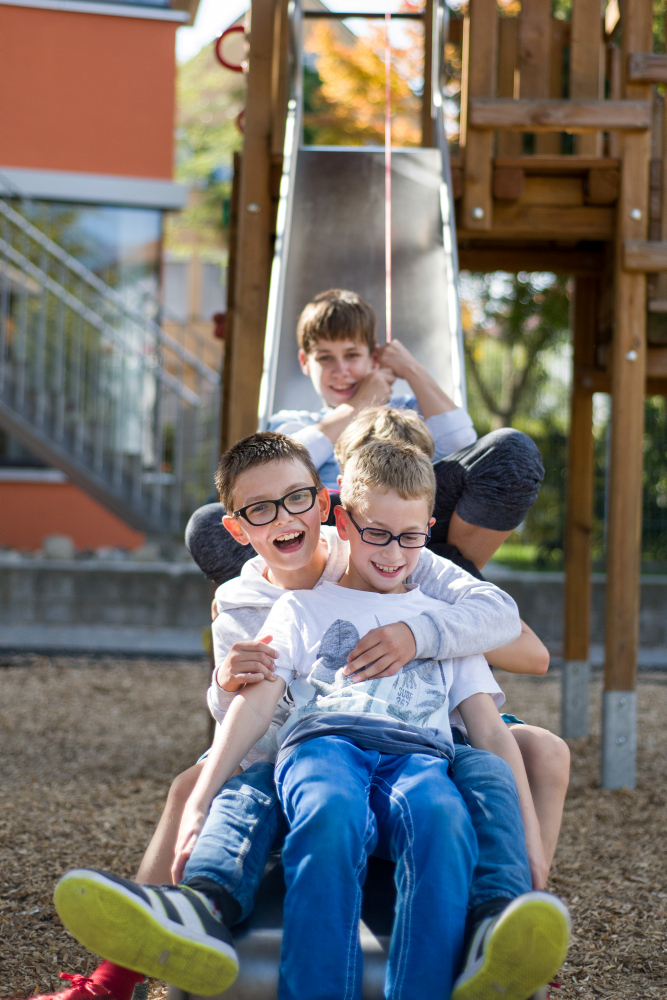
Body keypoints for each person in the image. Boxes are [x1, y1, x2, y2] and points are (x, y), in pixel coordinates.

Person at [52, 435, 569, 1000]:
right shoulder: (252, 603)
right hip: (306, 736)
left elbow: (503, 632)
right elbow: (254, 717)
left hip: (420, 734)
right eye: (261, 509)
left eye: (297, 498)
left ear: (325, 507)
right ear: (239, 528)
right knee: (221, 790)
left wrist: (417, 634)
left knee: (484, 783)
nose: (284, 517)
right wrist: (226, 687)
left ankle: (509, 928)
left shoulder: (404, 561)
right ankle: (135, 960)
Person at [185, 288, 545, 587]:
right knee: (207, 524)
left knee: (512, 450)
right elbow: (280, 469)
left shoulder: (408, 407)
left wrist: (410, 369)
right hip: (328, 527)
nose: (341, 370)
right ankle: (278, 595)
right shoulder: (295, 423)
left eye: (352, 356)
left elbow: (462, 442)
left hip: (411, 520)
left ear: (373, 358)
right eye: (326, 358)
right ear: (305, 363)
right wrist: (359, 404)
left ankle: (446, 575)